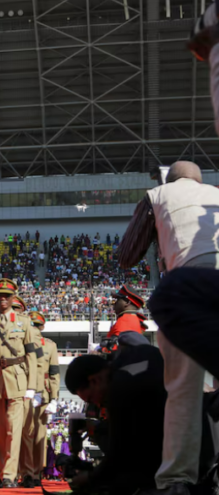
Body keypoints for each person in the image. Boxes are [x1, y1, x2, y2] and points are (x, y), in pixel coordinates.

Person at [118, 160, 219, 495]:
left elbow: (127, 256)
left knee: (183, 388)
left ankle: (177, 480)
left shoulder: (158, 194)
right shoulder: (216, 195)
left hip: (190, 285)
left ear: (170, 178)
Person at [64, 348, 167, 494]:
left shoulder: (119, 388)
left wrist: (89, 477)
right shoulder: (133, 356)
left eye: (91, 399)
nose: (98, 404)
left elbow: (118, 454)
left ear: (95, 380)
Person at [0, 278, 38, 488]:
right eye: (0, 295)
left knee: (13, 429)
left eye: (7, 296)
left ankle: (10, 476)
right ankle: (3, 473)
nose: (3, 299)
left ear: (13, 298)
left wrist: (32, 387)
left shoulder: (24, 322)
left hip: (18, 378)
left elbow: (32, 356)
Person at [18, 311, 59, 488]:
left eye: (36, 326)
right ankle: (28, 473)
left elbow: (54, 373)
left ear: (41, 327)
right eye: (31, 325)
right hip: (23, 391)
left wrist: (54, 398)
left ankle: (34, 473)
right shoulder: (21, 343)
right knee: (27, 435)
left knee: (38, 436)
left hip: (41, 394)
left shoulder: (50, 345)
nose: (34, 329)